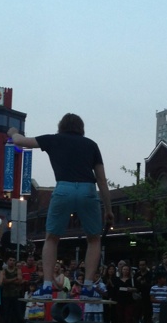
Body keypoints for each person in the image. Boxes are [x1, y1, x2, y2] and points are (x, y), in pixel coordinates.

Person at [7, 114, 114, 297]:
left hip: (64, 188)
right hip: (87, 190)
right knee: (94, 239)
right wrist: (109, 210)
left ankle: (47, 285)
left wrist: (13, 132)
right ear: (81, 128)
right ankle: (88, 286)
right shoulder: (91, 145)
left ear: (61, 126)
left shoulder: (53, 139)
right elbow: (102, 180)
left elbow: (19, 141)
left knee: (51, 238)